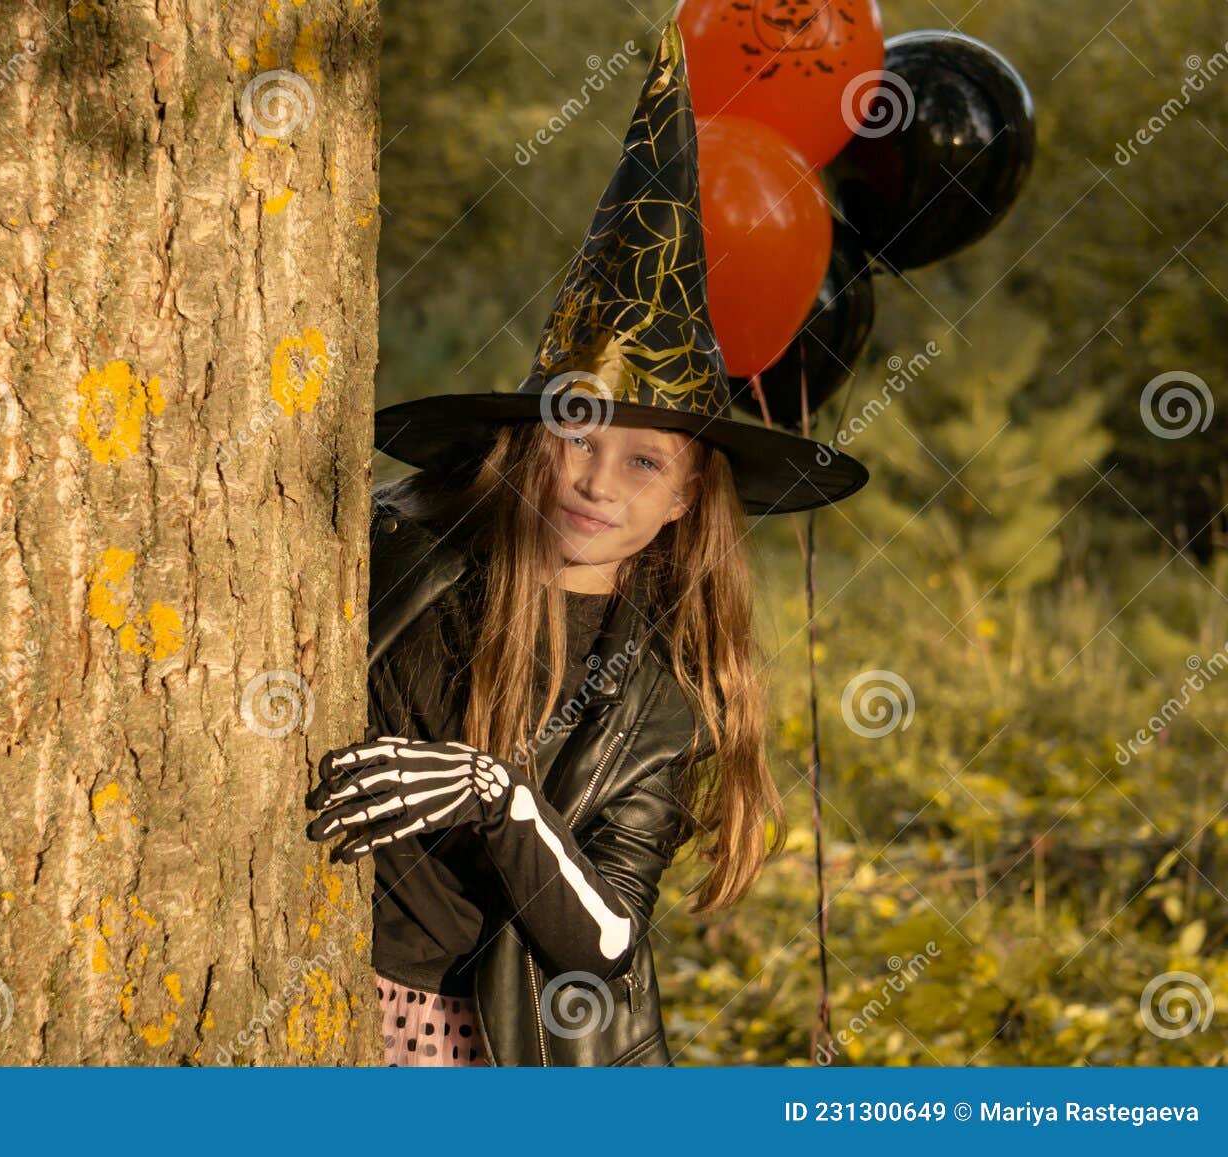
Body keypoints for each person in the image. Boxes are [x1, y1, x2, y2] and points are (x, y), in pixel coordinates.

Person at [305, 18, 870, 1066]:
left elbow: (604, 942)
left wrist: (498, 795)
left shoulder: (656, 696)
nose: (597, 480)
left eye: (644, 462)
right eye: (576, 435)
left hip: (474, 1042)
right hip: (309, 982)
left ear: (686, 502)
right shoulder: (401, 550)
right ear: (530, 443)